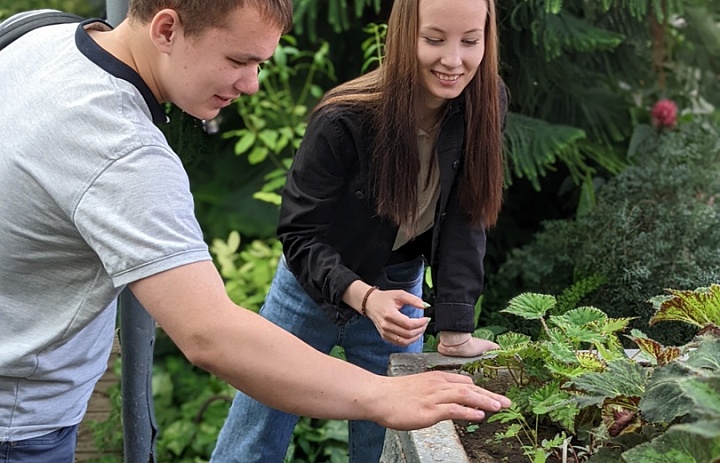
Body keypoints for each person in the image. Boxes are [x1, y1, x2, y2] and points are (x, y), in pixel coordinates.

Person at [0, 1, 512, 462]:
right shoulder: (123, 153)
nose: (252, 84)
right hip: (18, 426)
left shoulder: (37, 35)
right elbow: (210, 334)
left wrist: (453, 322)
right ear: (166, 29)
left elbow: (466, 220)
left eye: (260, 64)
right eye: (239, 61)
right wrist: (386, 394)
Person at [210, 0, 507, 461]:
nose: (453, 60)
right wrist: (364, 297)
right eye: (434, 40)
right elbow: (299, 233)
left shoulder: (486, 104)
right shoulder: (344, 118)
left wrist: (455, 329)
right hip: (310, 290)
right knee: (255, 435)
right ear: (404, 35)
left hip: (400, 294)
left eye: (470, 41)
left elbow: (466, 220)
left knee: (385, 444)